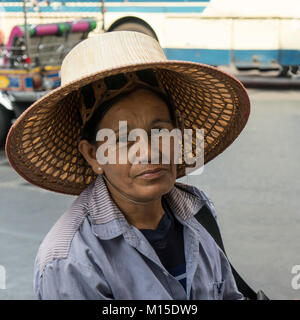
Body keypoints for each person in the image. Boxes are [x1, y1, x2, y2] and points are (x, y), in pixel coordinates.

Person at [5, 31, 250, 300]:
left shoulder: (197, 212)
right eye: (123, 138)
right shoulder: (70, 260)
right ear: (93, 155)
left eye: (159, 131)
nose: (148, 152)